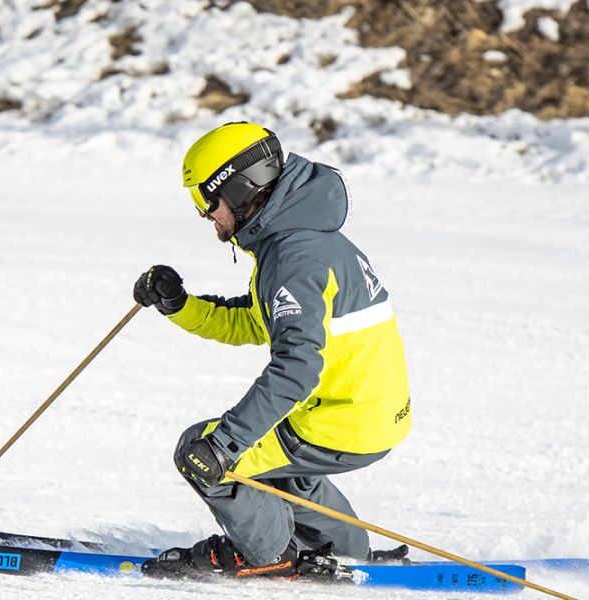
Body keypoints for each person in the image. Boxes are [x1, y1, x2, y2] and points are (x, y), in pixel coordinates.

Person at [133, 122, 412, 580]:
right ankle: (344, 546)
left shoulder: (294, 256)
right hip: (369, 414)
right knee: (274, 462)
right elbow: (253, 321)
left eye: (206, 198)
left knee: (201, 451)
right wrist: (179, 306)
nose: (205, 214)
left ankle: (265, 555)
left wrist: (223, 446)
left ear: (241, 189)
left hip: (342, 421)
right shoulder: (305, 239)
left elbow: (296, 369)